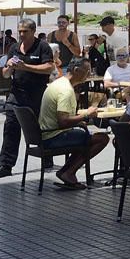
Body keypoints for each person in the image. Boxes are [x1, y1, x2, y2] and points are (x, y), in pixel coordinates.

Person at [0, 19, 55, 179]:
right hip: (16, 94)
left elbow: (49, 67)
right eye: (19, 31)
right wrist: (10, 66)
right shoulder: (14, 47)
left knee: (39, 128)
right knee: (10, 128)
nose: (21, 34)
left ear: (33, 31)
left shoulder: (42, 47)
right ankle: (5, 165)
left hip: (36, 94)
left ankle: (46, 157)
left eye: (25, 31)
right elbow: (5, 74)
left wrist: (26, 67)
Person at [36, 57, 110, 189]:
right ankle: (69, 172)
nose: (89, 74)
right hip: (53, 136)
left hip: (46, 134)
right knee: (101, 139)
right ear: (76, 70)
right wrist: (86, 115)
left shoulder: (59, 83)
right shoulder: (66, 90)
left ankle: (66, 171)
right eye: (87, 71)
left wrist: (78, 121)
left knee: (85, 136)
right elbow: (63, 121)